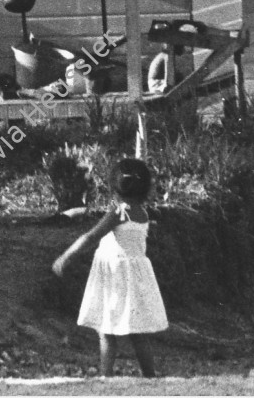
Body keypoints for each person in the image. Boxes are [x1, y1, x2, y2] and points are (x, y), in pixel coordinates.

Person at [52, 157, 167, 377]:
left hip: (115, 276)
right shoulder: (142, 212)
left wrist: (66, 257)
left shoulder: (119, 212)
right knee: (138, 331)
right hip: (135, 277)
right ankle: (150, 375)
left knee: (106, 329)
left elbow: (91, 236)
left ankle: (105, 375)